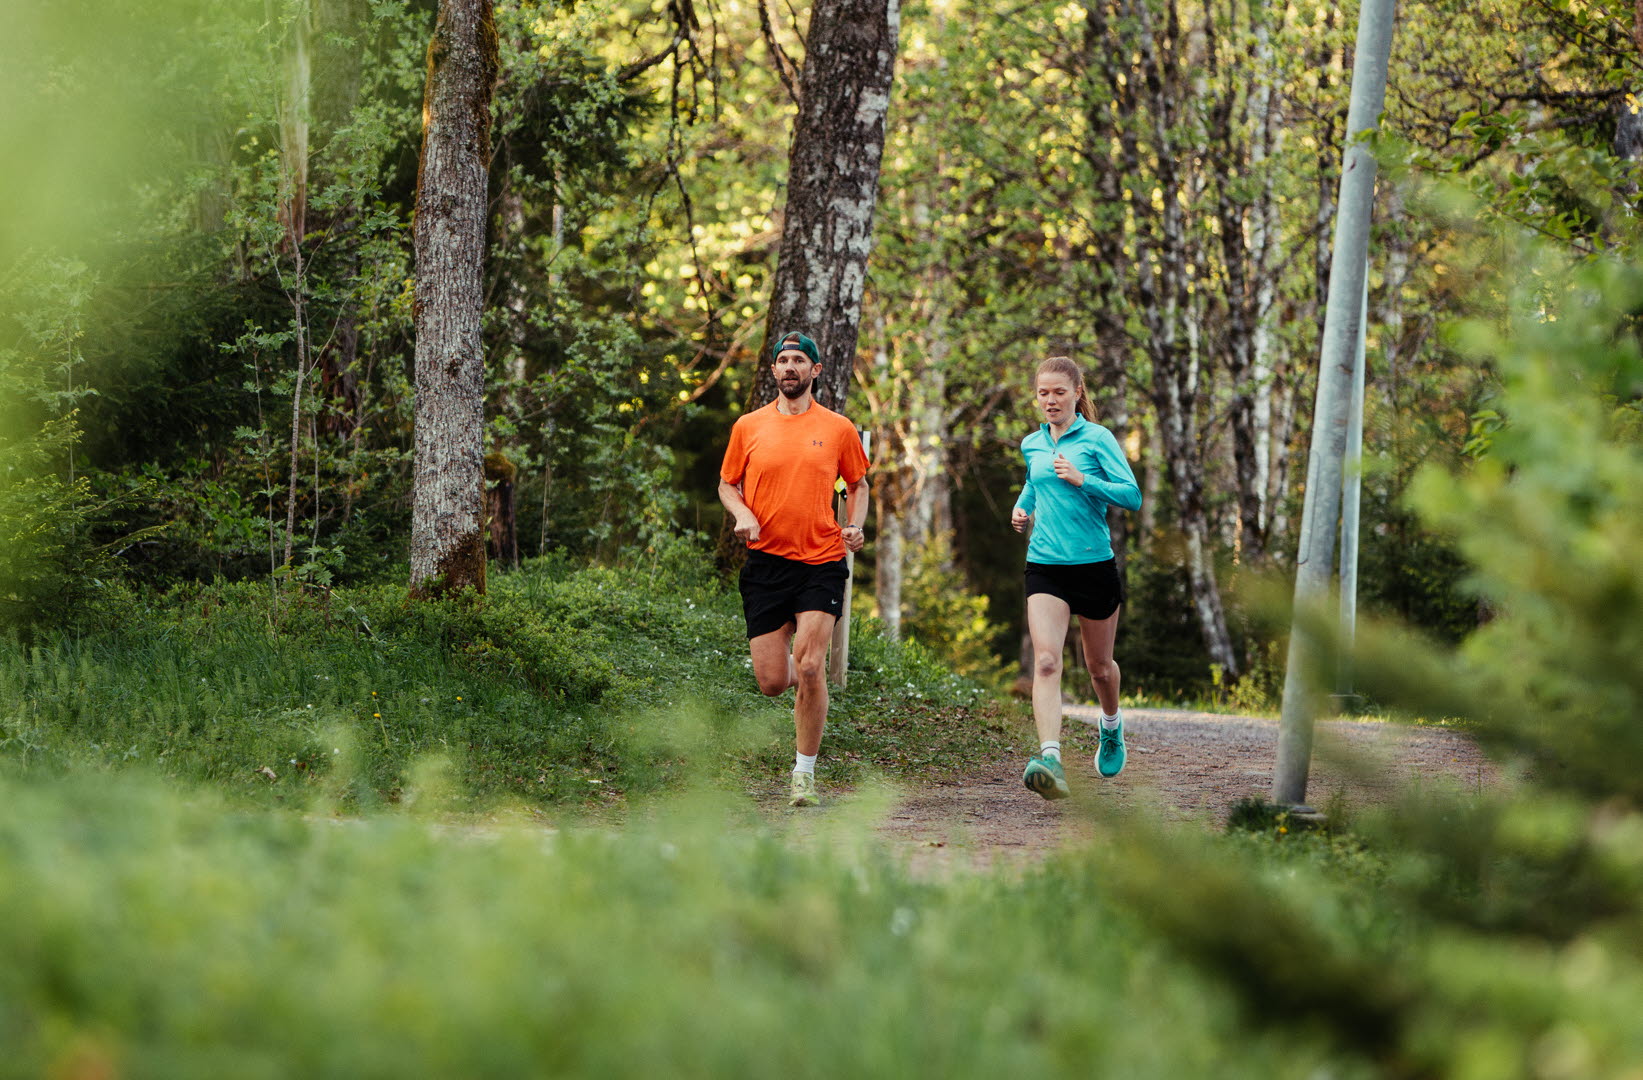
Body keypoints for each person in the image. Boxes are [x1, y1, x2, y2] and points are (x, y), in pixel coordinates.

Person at [719, 331, 871, 807]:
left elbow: (858, 484)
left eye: (799, 360)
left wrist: (854, 526)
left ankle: (803, 774)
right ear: (774, 371)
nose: (789, 367)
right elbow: (727, 484)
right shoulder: (748, 426)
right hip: (766, 563)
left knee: (809, 665)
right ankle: (803, 682)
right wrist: (742, 513)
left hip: (821, 561)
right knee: (771, 682)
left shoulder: (839, 428)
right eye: (782, 360)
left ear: (815, 372)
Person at [1010, 355, 1142, 799]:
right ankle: (1051, 757)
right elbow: (1034, 478)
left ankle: (1110, 725)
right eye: (1043, 393)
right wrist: (1023, 505)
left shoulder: (1098, 438)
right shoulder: (1033, 443)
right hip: (1045, 564)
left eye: (1059, 393)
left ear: (1077, 394)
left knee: (1099, 668)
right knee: (1046, 662)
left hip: (1093, 565)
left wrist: (1085, 480)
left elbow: (1132, 495)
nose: (1050, 401)